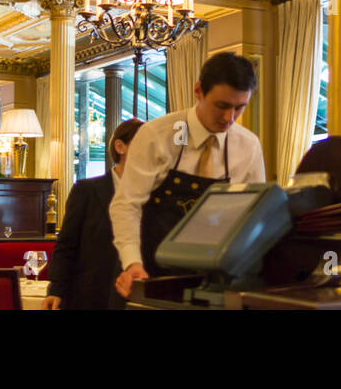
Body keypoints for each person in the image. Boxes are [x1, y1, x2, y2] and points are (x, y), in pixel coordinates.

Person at [111, 52, 266, 299]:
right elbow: (126, 205)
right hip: (149, 272)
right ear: (198, 91)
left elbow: (253, 215)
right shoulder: (157, 135)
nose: (230, 118)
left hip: (213, 280)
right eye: (222, 106)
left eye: (239, 107)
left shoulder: (248, 146)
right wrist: (132, 263)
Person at [43, 118, 144, 311]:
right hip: (91, 295)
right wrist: (56, 289)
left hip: (136, 297)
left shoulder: (155, 193)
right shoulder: (87, 190)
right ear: (120, 147)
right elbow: (66, 245)